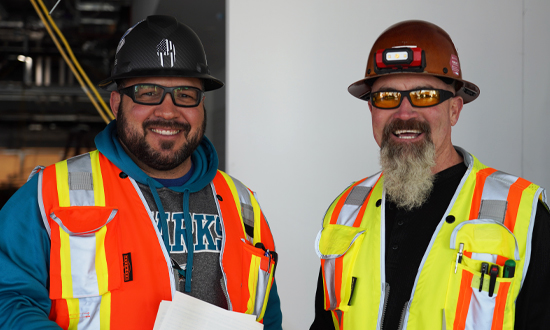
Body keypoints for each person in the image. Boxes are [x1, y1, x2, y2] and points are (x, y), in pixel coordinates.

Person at [0, 15, 282, 329]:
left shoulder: (244, 205)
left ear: (201, 107)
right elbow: (7, 301)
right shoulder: (50, 194)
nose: (168, 110)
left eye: (186, 95)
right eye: (148, 93)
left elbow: (266, 315)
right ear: (116, 103)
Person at [310, 20, 550, 330]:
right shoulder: (345, 212)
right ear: (372, 111)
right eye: (386, 97)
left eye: (424, 95)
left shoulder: (521, 213)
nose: (405, 113)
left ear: (455, 110)